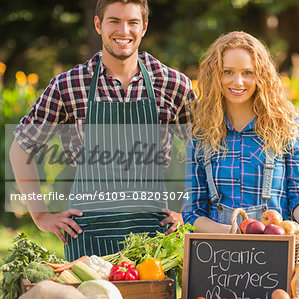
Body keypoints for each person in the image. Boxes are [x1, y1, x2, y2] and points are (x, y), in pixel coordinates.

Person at [9, 0, 194, 260]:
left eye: (132, 22)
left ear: (144, 27)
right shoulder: (69, 85)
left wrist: (187, 211)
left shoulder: (172, 84)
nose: (124, 31)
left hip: (154, 239)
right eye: (114, 21)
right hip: (88, 237)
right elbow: (21, 147)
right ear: (98, 24)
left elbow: (203, 149)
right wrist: (40, 215)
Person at [182, 31, 299, 253]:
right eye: (228, 72)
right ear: (215, 75)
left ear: (262, 75)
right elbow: (192, 213)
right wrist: (236, 235)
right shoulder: (201, 132)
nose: (238, 81)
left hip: (276, 254)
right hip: (217, 254)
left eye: (248, 73)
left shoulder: (285, 124)